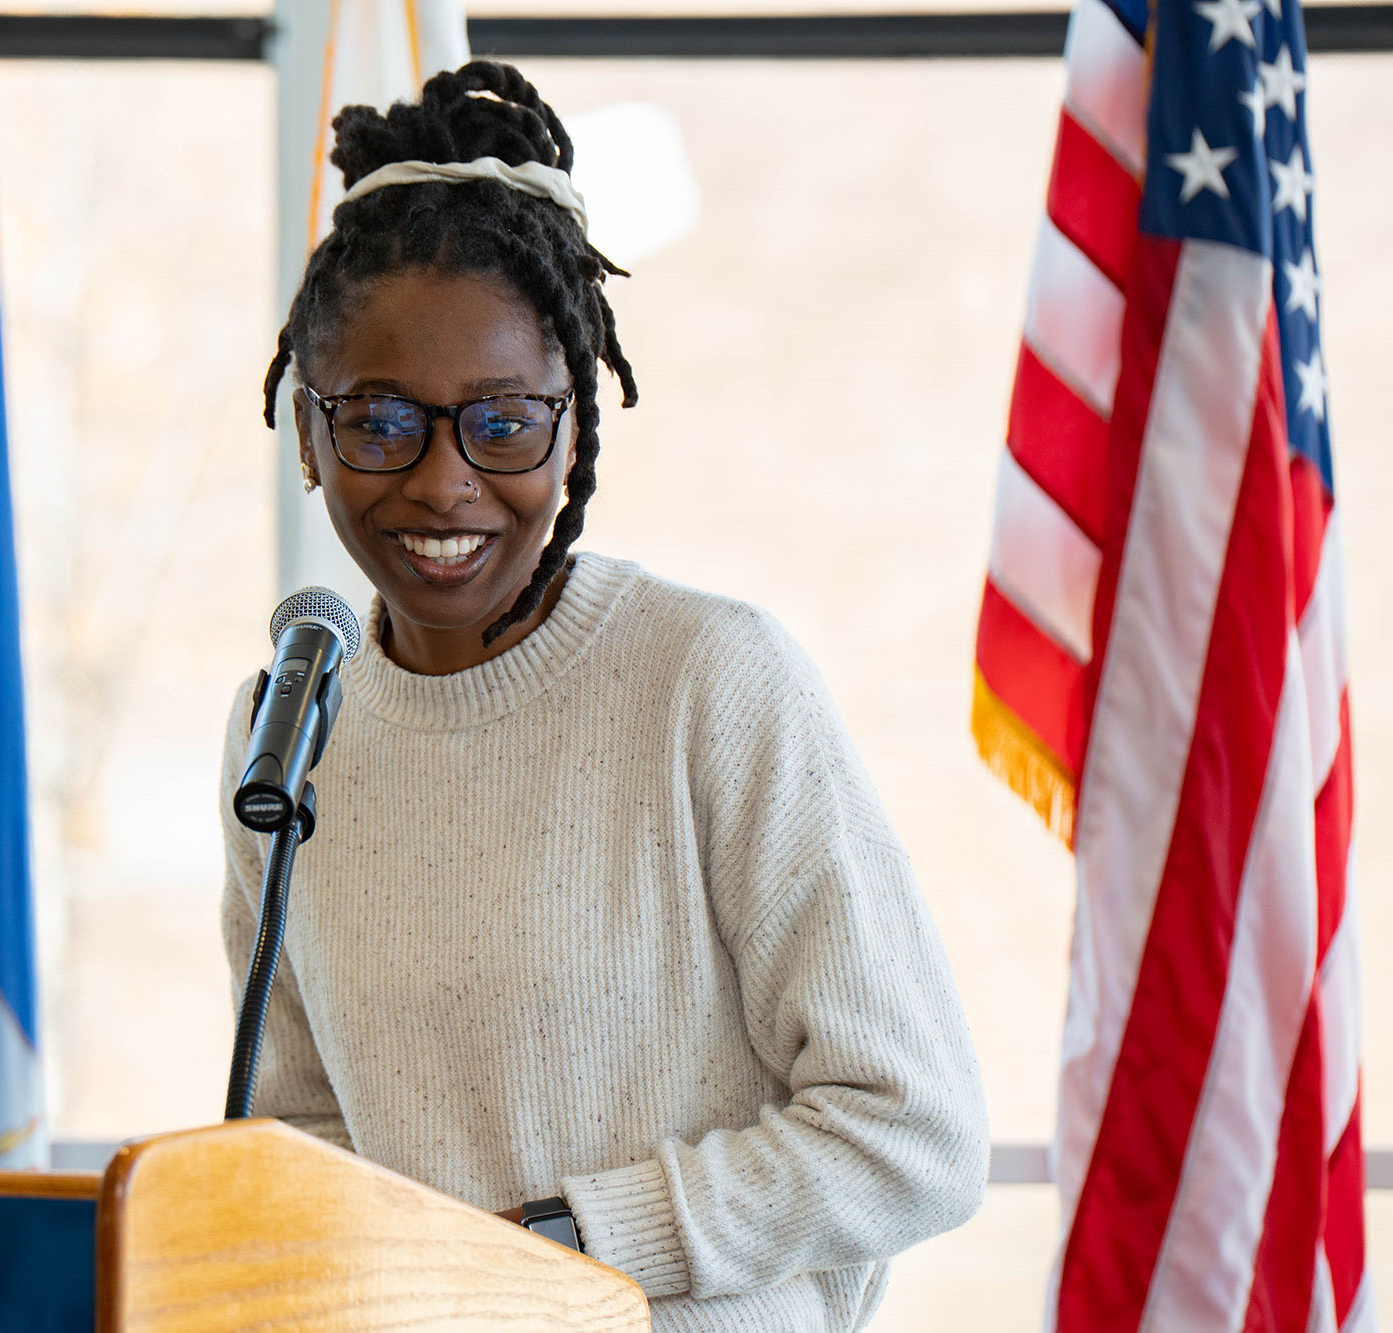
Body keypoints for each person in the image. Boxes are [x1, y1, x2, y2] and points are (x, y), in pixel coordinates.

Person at [218, 59, 988, 1330]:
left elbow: (912, 1129)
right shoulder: (286, 727)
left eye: (504, 421)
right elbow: (299, 1133)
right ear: (307, 433)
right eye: (382, 420)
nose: (444, 482)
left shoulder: (708, 680)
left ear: (574, 428)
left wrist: (573, 1244)